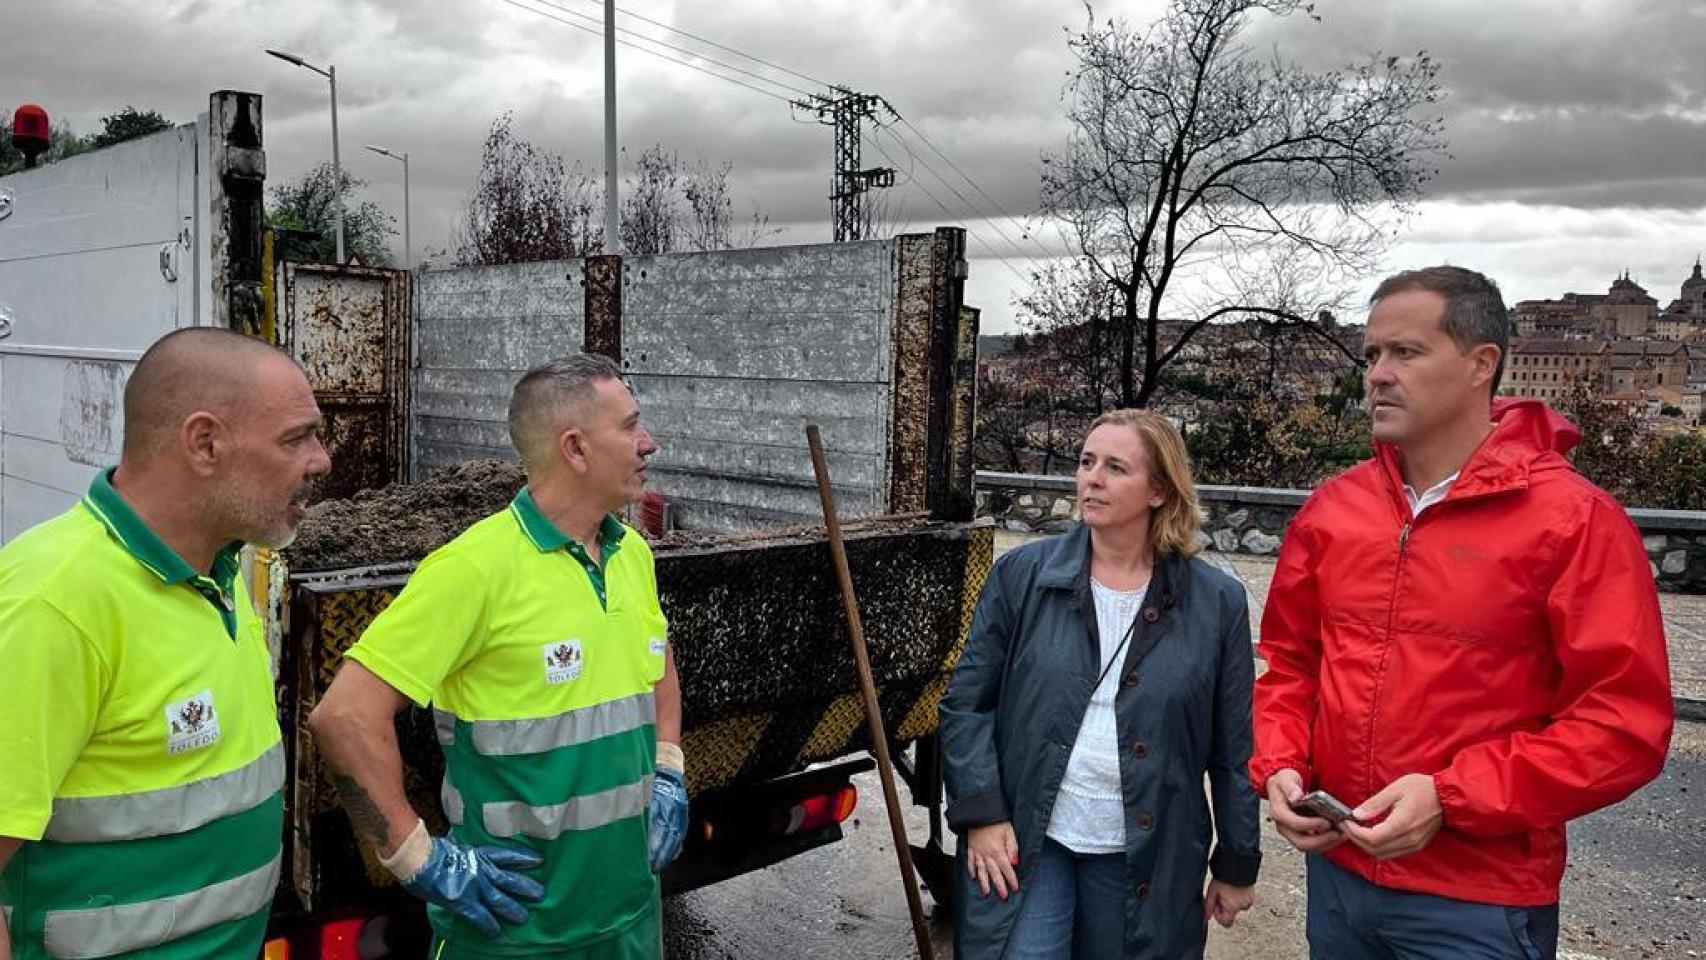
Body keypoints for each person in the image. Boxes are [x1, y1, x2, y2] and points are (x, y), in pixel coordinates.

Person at [1252, 266, 1674, 959]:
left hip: (1477, 900)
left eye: (1406, 353)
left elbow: (1623, 725)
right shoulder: (1333, 511)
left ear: (1482, 365)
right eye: (1372, 355)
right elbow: (1292, 667)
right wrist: (1281, 766)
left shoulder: (1574, 523)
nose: (1378, 375)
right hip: (1339, 877)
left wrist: (1453, 796)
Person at [309, 353, 687, 959]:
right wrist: (416, 857)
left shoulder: (631, 554)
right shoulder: (473, 570)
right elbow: (344, 717)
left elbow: (657, 665)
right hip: (514, 936)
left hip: (630, 924)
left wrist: (668, 768)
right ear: (576, 448)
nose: (649, 443)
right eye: (630, 426)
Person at [0, 328, 331, 958]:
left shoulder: (220, 571)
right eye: (296, 438)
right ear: (204, 443)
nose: (321, 459)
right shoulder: (53, 603)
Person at [941, 409, 1262, 958]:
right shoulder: (1023, 577)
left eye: (1116, 467)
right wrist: (982, 814)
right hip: (1032, 836)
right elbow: (967, 705)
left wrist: (1237, 862)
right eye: (1087, 462)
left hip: (1146, 849)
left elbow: (1233, 750)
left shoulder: (1216, 604)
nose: (1092, 478)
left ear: (1159, 490)